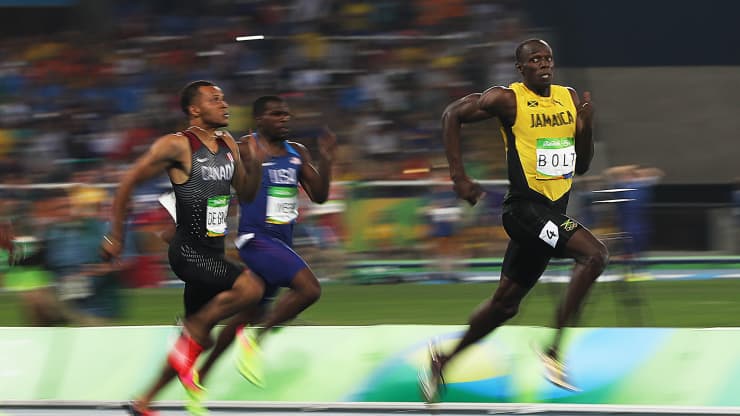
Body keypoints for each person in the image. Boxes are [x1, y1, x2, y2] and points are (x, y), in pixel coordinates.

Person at [418, 39, 609, 402]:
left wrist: (585, 125)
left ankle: (442, 361)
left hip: (550, 215)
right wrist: (458, 176)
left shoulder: (568, 98)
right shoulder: (507, 99)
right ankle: (554, 352)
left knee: (505, 304)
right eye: (534, 60)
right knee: (595, 255)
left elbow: (580, 165)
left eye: (548, 58)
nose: (543, 64)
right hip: (522, 211)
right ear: (521, 69)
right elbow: (452, 115)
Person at [101, 80, 263, 416]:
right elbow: (128, 181)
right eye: (214, 99)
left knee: (199, 339)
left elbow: (246, 193)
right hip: (188, 251)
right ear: (194, 109)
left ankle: (144, 401)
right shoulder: (177, 145)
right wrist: (115, 235)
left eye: (224, 98)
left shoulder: (229, 143)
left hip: (213, 251)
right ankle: (189, 333)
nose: (224, 104)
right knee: (251, 287)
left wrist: (254, 161)